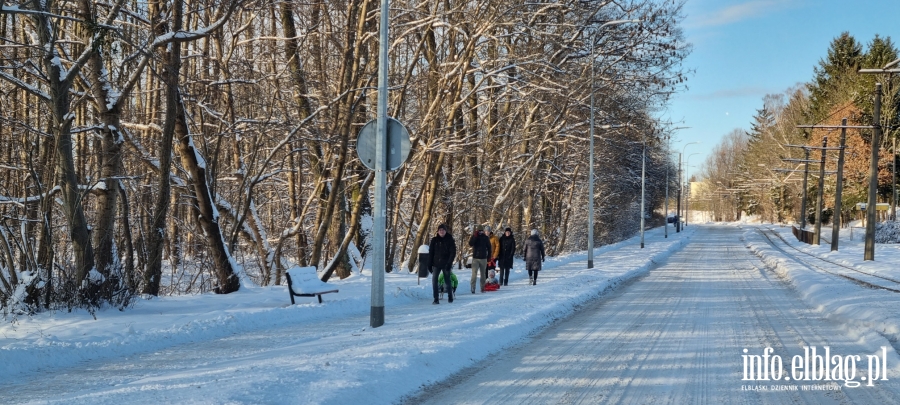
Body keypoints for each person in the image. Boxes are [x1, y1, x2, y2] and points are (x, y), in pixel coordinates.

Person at [429, 224, 456, 304]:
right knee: (434, 281)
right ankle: (436, 298)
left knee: (447, 280)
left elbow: (453, 252)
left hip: (446, 263)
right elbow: (431, 253)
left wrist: (449, 263)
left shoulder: (449, 239)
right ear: (438, 231)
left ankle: (450, 296)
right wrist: (429, 264)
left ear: (445, 231)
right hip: (436, 263)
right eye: (440, 230)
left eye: (443, 230)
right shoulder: (434, 240)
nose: (441, 231)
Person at [468, 224, 492, 293]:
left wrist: (489, 257)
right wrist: (475, 237)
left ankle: (483, 287)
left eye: (481, 231)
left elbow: (489, 247)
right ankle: (473, 287)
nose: (480, 232)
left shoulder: (485, 237)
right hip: (475, 258)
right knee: (474, 274)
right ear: (477, 231)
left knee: (483, 274)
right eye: (479, 231)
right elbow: (470, 244)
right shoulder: (475, 236)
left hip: (483, 258)